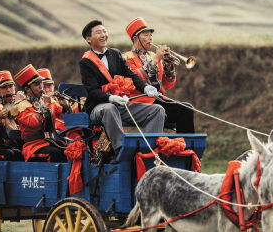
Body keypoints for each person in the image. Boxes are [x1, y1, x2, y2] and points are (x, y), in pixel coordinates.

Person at [79, 20, 165, 161]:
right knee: (109, 109)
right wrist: (111, 98)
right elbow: (93, 90)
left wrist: (146, 87)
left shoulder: (115, 54)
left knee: (157, 110)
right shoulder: (85, 62)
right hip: (99, 108)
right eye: (98, 32)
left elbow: (131, 75)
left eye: (104, 31)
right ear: (88, 39)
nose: (103, 35)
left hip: (121, 105)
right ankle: (121, 151)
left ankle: (146, 151)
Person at [123, 17, 195, 133]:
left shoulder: (153, 55)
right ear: (136, 38)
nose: (150, 38)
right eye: (146, 35)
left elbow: (169, 85)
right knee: (172, 110)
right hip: (140, 103)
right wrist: (156, 59)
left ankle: (185, 147)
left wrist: (168, 66)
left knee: (187, 108)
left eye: (151, 35)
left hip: (159, 99)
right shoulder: (126, 58)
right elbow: (134, 78)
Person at [11, 64, 67, 163]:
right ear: (27, 89)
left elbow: (62, 116)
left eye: (42, 83)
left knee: (70, 151)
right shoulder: (20, 106)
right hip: (33, 146)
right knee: (56, 154)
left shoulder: (48, 100)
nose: (42, 87)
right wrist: (45, 105)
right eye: (37, 84)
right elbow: (34, 122)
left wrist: (66, 106)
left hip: (50, 142)